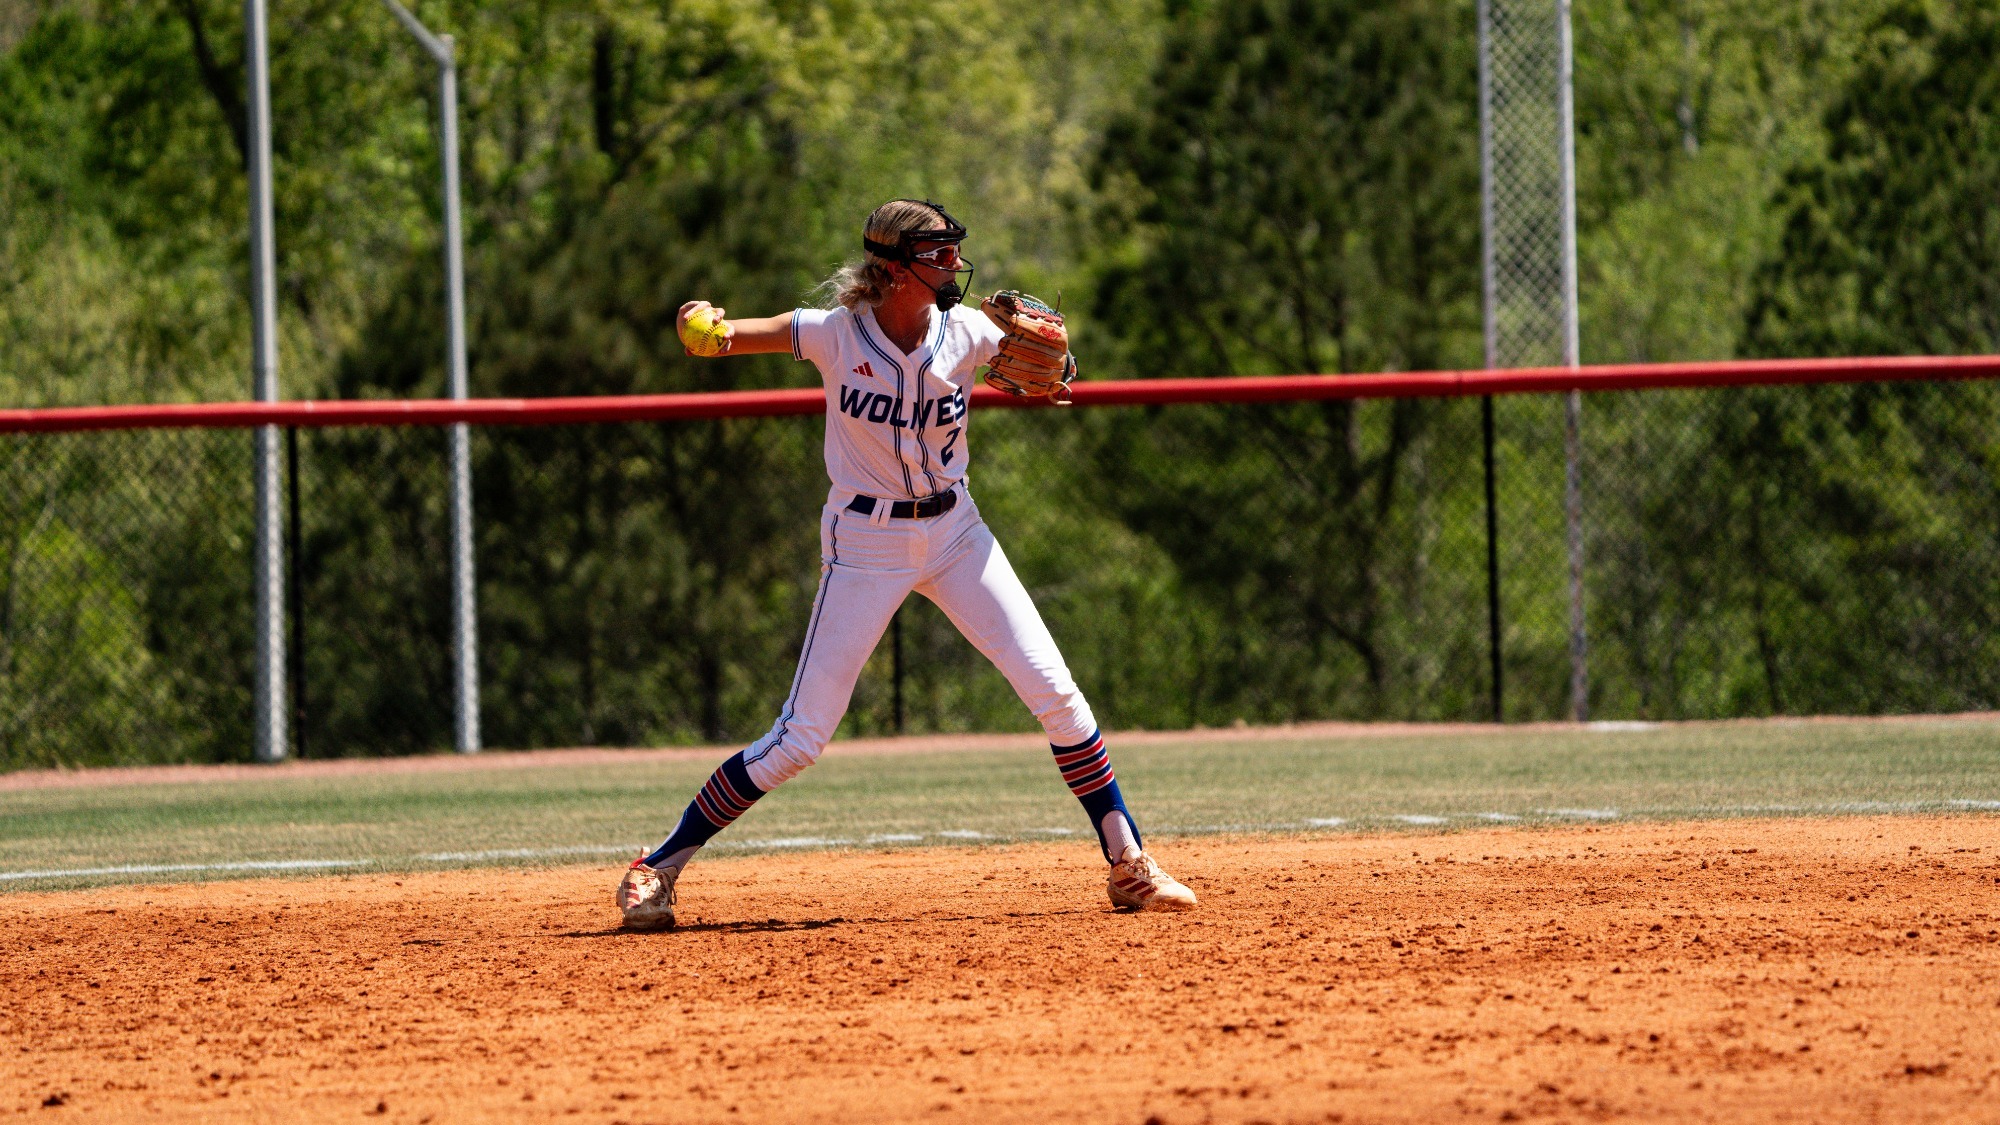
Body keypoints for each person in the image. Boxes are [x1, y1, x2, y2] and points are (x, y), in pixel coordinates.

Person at [616, 199, 1195, 930]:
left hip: (957, 532)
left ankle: (1128, 864)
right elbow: (727, 337)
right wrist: (704, 324)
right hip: (864, 542)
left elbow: (1053, 368)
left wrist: (1057, 370)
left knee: (1057, 692)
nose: (955, 264)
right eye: (939, 254)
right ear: (894, 267)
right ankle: (656, 868)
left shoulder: (970, 331)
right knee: (801, 737)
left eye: (955, 252)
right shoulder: (834, 333)